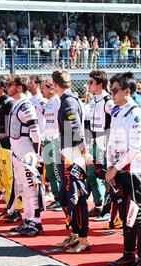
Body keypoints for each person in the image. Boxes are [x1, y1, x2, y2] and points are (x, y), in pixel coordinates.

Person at [105, 72, 141, 266]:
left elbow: (134, 147)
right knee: (125, 214)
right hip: (118, 170)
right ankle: (128, 253)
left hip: (134, 171)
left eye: (115, 91)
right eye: (111, 90)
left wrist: (116, 167)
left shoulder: (136, 113)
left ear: (127, 91)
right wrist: (110, 165)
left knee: (137, 214)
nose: (112, 94)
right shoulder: (117, 112)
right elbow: (111, 142)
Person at [53, 70, 91, 253]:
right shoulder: (69, 100)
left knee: (78, 198)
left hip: (73, 155)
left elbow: (75, 130)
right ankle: (75, 234)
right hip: (71, 153)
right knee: (68, 197)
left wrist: (81, 153)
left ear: (55, 85)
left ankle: (83, 239)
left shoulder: (68, 102)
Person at [7, 75, 45, 236]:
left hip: (26, 152)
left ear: (19, 87)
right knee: (23, 188)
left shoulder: (26, 106)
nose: (8, 87)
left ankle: (37, 222)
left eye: (11, 85)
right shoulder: (17, 104)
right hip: (17, 151)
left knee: (31, 187)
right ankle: (29, 219)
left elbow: (35, 132)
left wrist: (36, 154)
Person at [0, 75, 23, 221]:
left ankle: (17, 210)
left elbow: (13, 126)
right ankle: (10, 208)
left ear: (1, 88)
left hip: (9, 145)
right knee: (4, 178)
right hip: (0, 144)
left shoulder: (9, 103)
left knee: (11, 178)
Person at [85, 70, 115, 221]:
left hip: (105, 142)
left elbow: (116, 120)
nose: (88, 84)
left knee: (105, 174)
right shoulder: (92, 100)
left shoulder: (107, 101)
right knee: (91, 173)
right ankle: (98, 205)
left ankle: (108, 210)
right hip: (94, 140)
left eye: (91, 82)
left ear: (101, 85)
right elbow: (89, 123)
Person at [41, 79, 63, 212]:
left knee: (56, 170)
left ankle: (61, 199)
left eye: (43, 88)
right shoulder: (48, 103)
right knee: (49, 172)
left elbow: (60, 122)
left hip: (56, 140)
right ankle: (56, 198)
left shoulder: (57, 102)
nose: (42, 90)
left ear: (51, 89)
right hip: (48, 140)